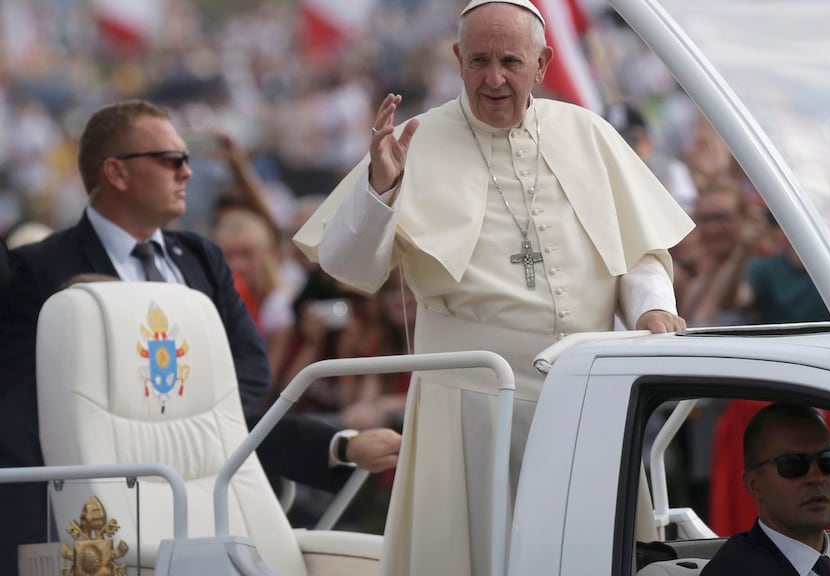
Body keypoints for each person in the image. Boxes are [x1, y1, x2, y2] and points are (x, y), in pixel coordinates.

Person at [293, 1, 694, 574]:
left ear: (543, 61)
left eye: (510, 60)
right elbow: (347, 264)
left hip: (583, 396)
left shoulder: (587, 132)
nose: (494, 78)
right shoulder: (414, 141)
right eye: (478, 60)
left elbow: (638, 251)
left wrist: (653, 310)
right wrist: (380, 187)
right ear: (457, 59)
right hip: (469, 400)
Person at [0, 99, 400, 573]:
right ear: (117, 173)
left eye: (187, 158)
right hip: (111, 521)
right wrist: (27, 552)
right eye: (171, 160)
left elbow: (242, 390)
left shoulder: (201, 258)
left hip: (210, 502)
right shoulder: (38, 271)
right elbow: (20, 415)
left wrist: (335, 444)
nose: (188, 172)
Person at [702, 403, 830, 576]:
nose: (817, 478)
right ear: (753, 484)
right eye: (793, 465)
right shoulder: (731, 571)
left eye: (828, 461)